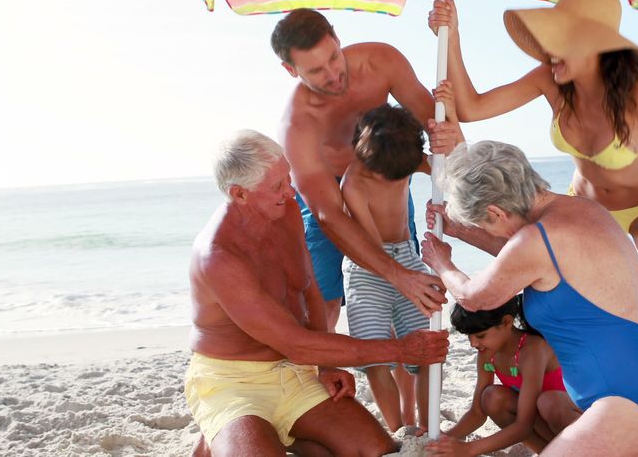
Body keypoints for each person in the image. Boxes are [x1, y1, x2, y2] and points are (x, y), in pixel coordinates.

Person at [427, 0, 638, 456]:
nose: (550, 57)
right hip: (583, 204)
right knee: (538, 275)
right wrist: (452, 34)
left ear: (595, 47)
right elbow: (472, 105)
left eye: (560, 45)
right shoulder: (552, 81)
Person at [420, 139, 638, 456]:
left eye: (484, 224)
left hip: (626, 404)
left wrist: (442, 263)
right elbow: (523, 262)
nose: (490, 232)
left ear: (496, 211)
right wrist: (464, 231)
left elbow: (473, 297)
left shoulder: (535, 239)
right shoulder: (580, 210)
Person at [185, 129, 449, 457]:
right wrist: (400, 350)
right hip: (234, 385)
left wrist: (325, 366)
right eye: (278, 186)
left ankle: (285, 439)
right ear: (239, 194)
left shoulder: (288, 211)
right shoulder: (219, 257)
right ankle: (224, 436)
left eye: (288, 177)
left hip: (294, 373)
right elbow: (295, 343)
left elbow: (307, 287)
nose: (291, 190)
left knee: (377, 450)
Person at [273, 8, 446, 329]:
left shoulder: (381, 62)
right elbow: (329, 215)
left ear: (337, 38)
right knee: (323, 301)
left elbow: (437, 128)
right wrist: (398, 275)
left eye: (334, 58)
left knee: (401, 297)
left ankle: (404, 371)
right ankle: (327, 372)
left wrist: (456, 188)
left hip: (384, 178)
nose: (333, 74)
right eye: (316, 70)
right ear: (290, 69)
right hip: (326, 194)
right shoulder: (297, 125)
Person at [340, 104, 436, 433]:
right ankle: (399, 433)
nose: (397, 179)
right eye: (389, 175)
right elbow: (368, 248)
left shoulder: (400, 157)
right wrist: (400, 278)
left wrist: (444, 204)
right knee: (375, 358)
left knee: (427, 350)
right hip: (368, 265)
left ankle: (427, 428)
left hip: (406, 254)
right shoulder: (353, 183)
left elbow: (444, 167)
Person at [427, 296, 580, 457]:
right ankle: (548, 452)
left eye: (480, 336)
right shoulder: (487, 353)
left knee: (548, 402)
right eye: (469, 336)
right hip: (543, 424)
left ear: (507, 322)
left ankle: (579, 452)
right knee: (492, 397)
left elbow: (524, 426)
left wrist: (468, 449)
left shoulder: (532, 350)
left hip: (573, 419)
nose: (473, 343)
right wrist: (443, 439)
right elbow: (477, 413)